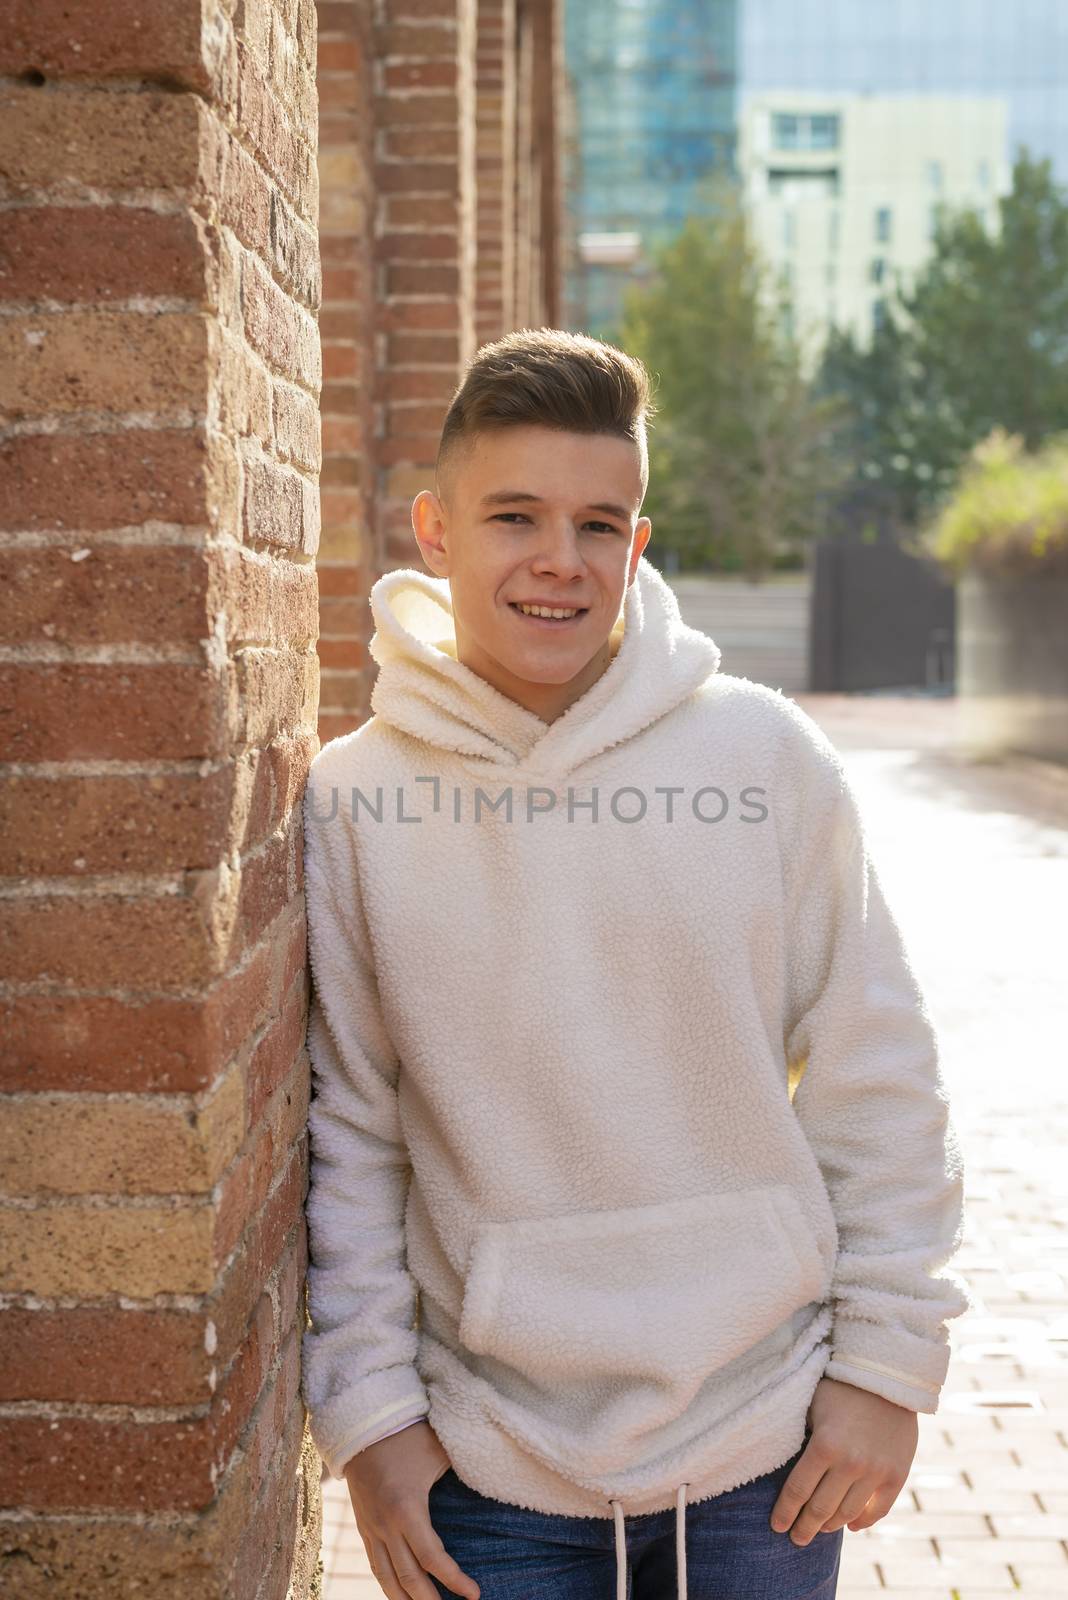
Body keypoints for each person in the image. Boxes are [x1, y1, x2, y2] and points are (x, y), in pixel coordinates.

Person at [300, 328, 972, 1600]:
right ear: (436, 531)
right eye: (516, 516)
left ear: (639, 545)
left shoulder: (767, 762)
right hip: (487, 1463)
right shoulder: (356, 803)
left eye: (598, 524)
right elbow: (352, 1133)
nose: (561, 559)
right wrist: (371, 1414)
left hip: (767, 1450)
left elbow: (878, 1075)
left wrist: (887, 1369)